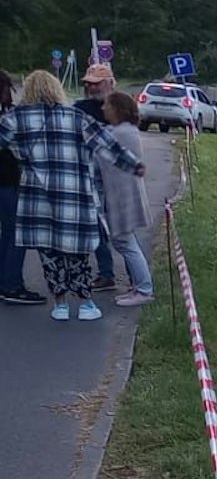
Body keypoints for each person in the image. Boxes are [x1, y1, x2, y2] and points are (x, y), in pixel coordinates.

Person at [0, 71, 145, 322]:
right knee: (77, 254)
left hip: (37, 199)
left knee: (50, 254)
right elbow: (107, 145)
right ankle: (86, 304)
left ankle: (60, 304)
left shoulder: (15, 119)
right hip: (74, 197)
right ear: (57, 89)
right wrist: (134, 166)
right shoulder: (77, 117)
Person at [96, 91, 152, 306]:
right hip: (124, 194)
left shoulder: (117, 133)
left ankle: (144, 289)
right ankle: (139, 287)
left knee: (125, 243)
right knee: (126, 242)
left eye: (107, 105)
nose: (103, 109)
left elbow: (97, 152)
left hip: (120, 196)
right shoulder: (126, 131)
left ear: (117, 109)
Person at [73, 63, 118, 289]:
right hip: (90, 173)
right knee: (95, 224)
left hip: (117, 175)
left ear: (110, 83)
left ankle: (138, 281)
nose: (91, 88)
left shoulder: (120, 107)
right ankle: (106, 272)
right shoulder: (80, 108)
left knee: (122, 228)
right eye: (88, 84)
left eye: (96, 83)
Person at [0, 71, 37, 306]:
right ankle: (12, 284)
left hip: (7, 179)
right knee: (16, 233)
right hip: (7, 181)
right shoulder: (7, 116)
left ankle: (5, 280)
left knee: (8, 232)